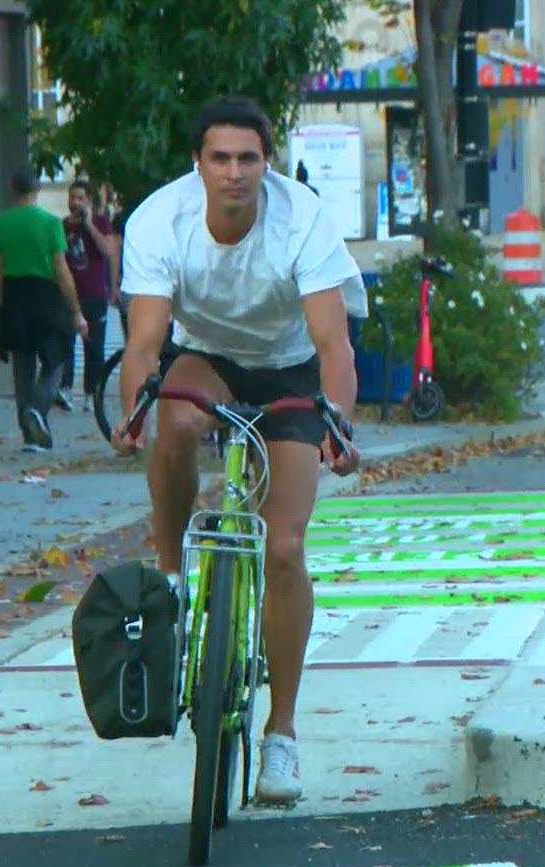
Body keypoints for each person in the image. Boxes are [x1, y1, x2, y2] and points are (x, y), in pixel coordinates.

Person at [111, 96, 365, 806]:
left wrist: (338, 424)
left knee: (282, 549)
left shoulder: (302, 218)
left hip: (290, 370)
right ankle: (170, 575)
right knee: (175, 418)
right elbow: (143, 345)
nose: (234, 173)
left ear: (266, 163)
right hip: (208, 359)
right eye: (219, 158)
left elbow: (333, 346)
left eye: (248, 158)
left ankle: (279, 737)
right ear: (199, 164)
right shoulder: (160, 219)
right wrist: (131, 412)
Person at [0, 170, 88, 452]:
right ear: (38, 188)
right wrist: (76, 310)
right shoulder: (50, 223)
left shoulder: (1, 224)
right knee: (57, 357)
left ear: (12, 188)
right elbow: (60, 269)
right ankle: (38, 408)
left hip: (14, 295)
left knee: (22, 365)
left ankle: (29, 434)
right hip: (45, 296)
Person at [58, 179, 119, 408]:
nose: (75, 203)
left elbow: (109, 251)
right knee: (66, 343)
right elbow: (57, 256)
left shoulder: (102, 223)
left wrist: (90, 226)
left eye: (80, 198)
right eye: (72, 198)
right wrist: (70, 228)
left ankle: (91, 393)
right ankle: (64, 389)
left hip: (94, 293)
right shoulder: (63, 225)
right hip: (69, 294)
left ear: (90, 202)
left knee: (94, 346)